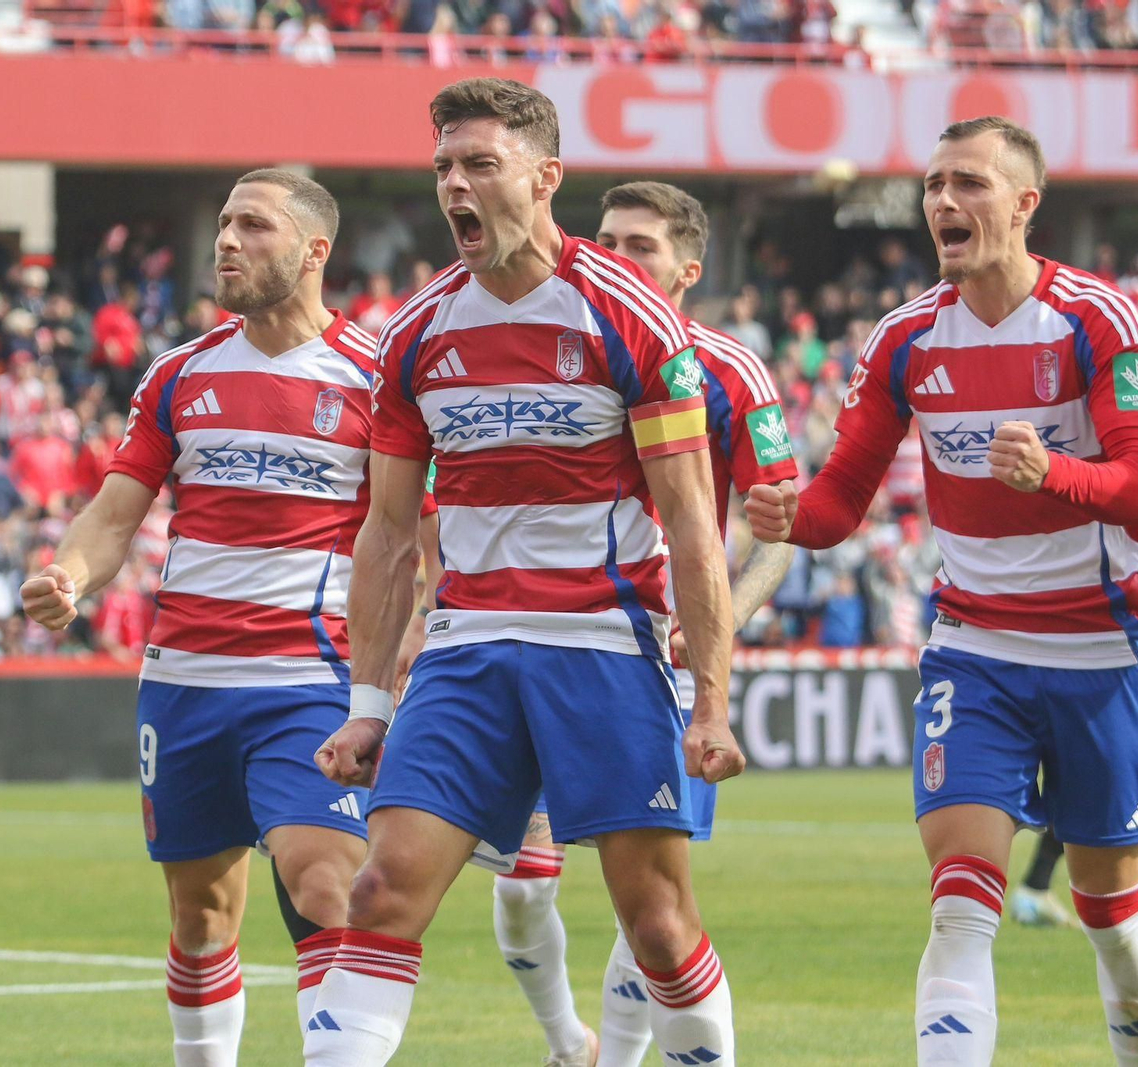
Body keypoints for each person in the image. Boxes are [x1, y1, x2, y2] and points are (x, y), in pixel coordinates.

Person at [302, 78, 744, 1067]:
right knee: (379, 891)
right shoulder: (414, 333)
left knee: (658, 921)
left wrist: (708, 699)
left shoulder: (630, 314)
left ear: (545, 178)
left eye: (479, 166)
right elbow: (383, 533)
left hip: (601, 640)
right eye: (443, 169)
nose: (455, 187)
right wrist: (370, 699)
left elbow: (688, 519)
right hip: (467, 646)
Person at [747, 116, 1138, 1066]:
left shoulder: (1096, 318)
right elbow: (839, 504)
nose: (945, 200)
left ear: (1025, 205)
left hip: (1096, 648)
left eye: (971, 184)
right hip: (975, 649)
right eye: (936, 184)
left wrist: (1056, 474)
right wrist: (787, 513)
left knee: (1109, 908)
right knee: (961, 893)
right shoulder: (905, 339)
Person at [19, 169, 377, 1066]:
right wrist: (67, 575)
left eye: (253, 225)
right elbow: (110, 517)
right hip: (184, 685)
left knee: (329, 886)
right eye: (223, 222)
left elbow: (421, 537)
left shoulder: (375, 377)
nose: (226, 240)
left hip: (310, 679)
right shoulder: (180, 374)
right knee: (202, 915)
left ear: (312, 251)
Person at [469, 180, 797, 1067]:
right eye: (605, 238)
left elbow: (780, 536)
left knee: (643, 899)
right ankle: (565, 1041)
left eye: (640, 246)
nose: (615, 256)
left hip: (661, 654)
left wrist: (718, 617)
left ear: (688, 270)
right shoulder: (548, 344)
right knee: (521, 889)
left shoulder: (731, 369)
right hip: (546, 637)